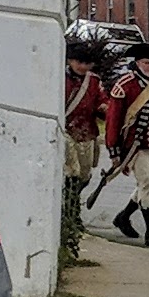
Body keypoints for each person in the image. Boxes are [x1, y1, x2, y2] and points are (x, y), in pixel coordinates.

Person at [102, 43, 149, 247]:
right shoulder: (125, 85)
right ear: (137, 63)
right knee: (146, 184)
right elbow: (114, 119)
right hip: (135, 144)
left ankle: (124, 217)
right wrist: (114, 149)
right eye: (147, 63)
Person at [63, 43, 107, 197]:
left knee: (85, 174)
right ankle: (71, 210)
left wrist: (104, 108)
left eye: (87, 63)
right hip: (65, 130)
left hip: (87, 132)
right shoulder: (60, 78)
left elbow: (102, 102)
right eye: (79, 62)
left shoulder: (94, 81)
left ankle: (71, 202)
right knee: (71, 172)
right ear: (70, 61)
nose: (82, 66)